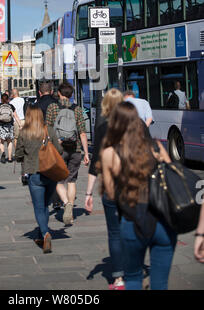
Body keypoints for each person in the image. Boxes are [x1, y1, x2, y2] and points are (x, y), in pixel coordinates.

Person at [100, 102, 177, 290]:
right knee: (160, 283)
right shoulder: (156, 147)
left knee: (133, 278)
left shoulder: (110, 153)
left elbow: (110, 194)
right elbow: (173, 179)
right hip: (162, 221)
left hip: (132, 220)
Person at [85, 88, 125, 290]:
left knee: (115, 233)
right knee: (131, 230)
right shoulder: (135, 125)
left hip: (110, 187)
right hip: (133, 187)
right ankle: (132, 269)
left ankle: (118, 278)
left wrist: (89, 193)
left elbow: (96, 162)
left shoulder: (102, 128)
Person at [15, 104, 63, 253]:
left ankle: (45, 233)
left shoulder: (24, 133)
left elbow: (18, 155)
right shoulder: (48, 130)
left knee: (38, 206)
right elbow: (59, 150)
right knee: (45, 206)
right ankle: (42, 234)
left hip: (34, 173)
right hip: (50, 173)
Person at [46, 82, 89, 225]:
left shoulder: (52, 107)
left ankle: (66, 204)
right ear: (71, 95)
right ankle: (70, 212)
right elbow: (82, 132)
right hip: (75, 149)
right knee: (72, 180)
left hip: (59, 149)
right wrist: (86, 153)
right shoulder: (77, 109)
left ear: (59, 93)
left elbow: (48, 129)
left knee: (57, 180)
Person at [0, 93, 21, 163]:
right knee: (9, 141)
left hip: (0, 125)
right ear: (8, 99)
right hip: (9, 125)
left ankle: (3, 152)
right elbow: (16, 116)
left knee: (1, 141)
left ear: (1, 99)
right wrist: (20, 125)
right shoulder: (11, 106)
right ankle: (9, 158)